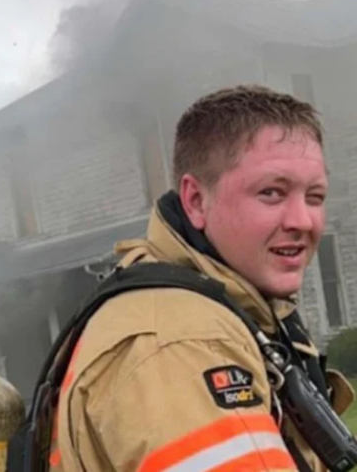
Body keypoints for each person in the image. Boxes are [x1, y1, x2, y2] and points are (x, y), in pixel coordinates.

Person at [49, 85, 354, 472]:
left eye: (315, 196)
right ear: (195, 200)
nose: (303, 221)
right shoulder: (181, 343)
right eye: (271, 193)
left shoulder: (235, 310)